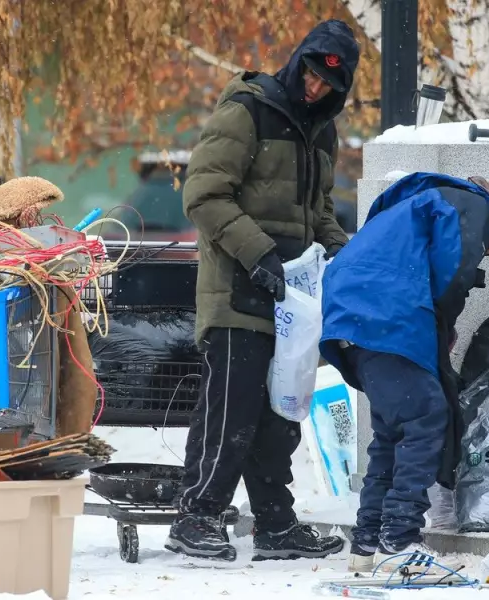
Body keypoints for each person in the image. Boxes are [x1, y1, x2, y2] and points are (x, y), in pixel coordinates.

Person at [165, 19, 360, 562]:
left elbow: (319, 212)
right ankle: (197, 516)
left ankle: (275, 525)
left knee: (279, 417)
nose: (315, 88)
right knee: (231, 411)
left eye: (329, 84)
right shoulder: (248, 110)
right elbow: (204, 195)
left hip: (291, 300)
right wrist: (258, 254)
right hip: (236, 291)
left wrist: (345, 256)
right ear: (298, 62)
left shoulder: (322, 132)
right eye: (311, 74)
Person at [319, 173, 489, 572]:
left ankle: (367, 541)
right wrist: (442, 325)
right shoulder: (472, 204)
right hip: (388, 313)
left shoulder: (413, 205)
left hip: (352, 314)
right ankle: (399, 539)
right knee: (426, 417)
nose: (486, 251)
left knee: (394, 431)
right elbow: (454, 272)